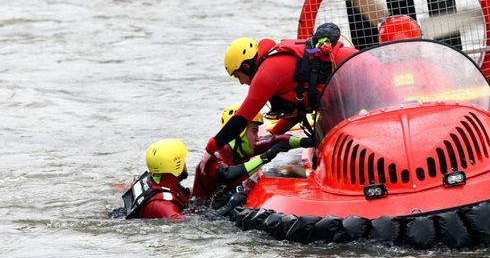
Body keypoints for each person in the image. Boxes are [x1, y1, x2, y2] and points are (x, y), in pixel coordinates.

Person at [205, 23, 358, 157]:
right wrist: (273, 134)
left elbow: (241, 119)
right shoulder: (273, 62)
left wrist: (210, 148)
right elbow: (299, 109)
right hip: (352, 80)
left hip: (360, 76)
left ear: (246, 66)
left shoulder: (266, 73)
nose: (242, 83)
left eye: (239, 77)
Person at [191, 104, 312, 209]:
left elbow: (275, 141)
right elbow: (228, 174)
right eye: (254, 131)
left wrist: (305, 142)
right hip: (205, 214)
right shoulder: (215, 156)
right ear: (239, 133)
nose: (258, 137)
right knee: (237, 199)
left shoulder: (241, 148)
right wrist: (265, 157)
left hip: (222, 201)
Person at [122, 139, 191, 221]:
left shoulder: (152, 181)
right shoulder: (162, 203)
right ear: (177, 166)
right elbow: (178, 221)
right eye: (183, 161)